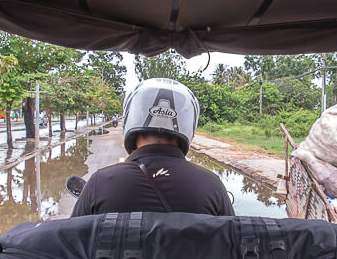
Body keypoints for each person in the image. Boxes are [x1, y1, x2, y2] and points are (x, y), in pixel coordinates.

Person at [71, 78, 234, 217]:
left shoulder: (99, 183)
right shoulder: (211, 186)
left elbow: (70, 246)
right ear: (188, 122)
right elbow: (232, 249)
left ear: (132, 116)